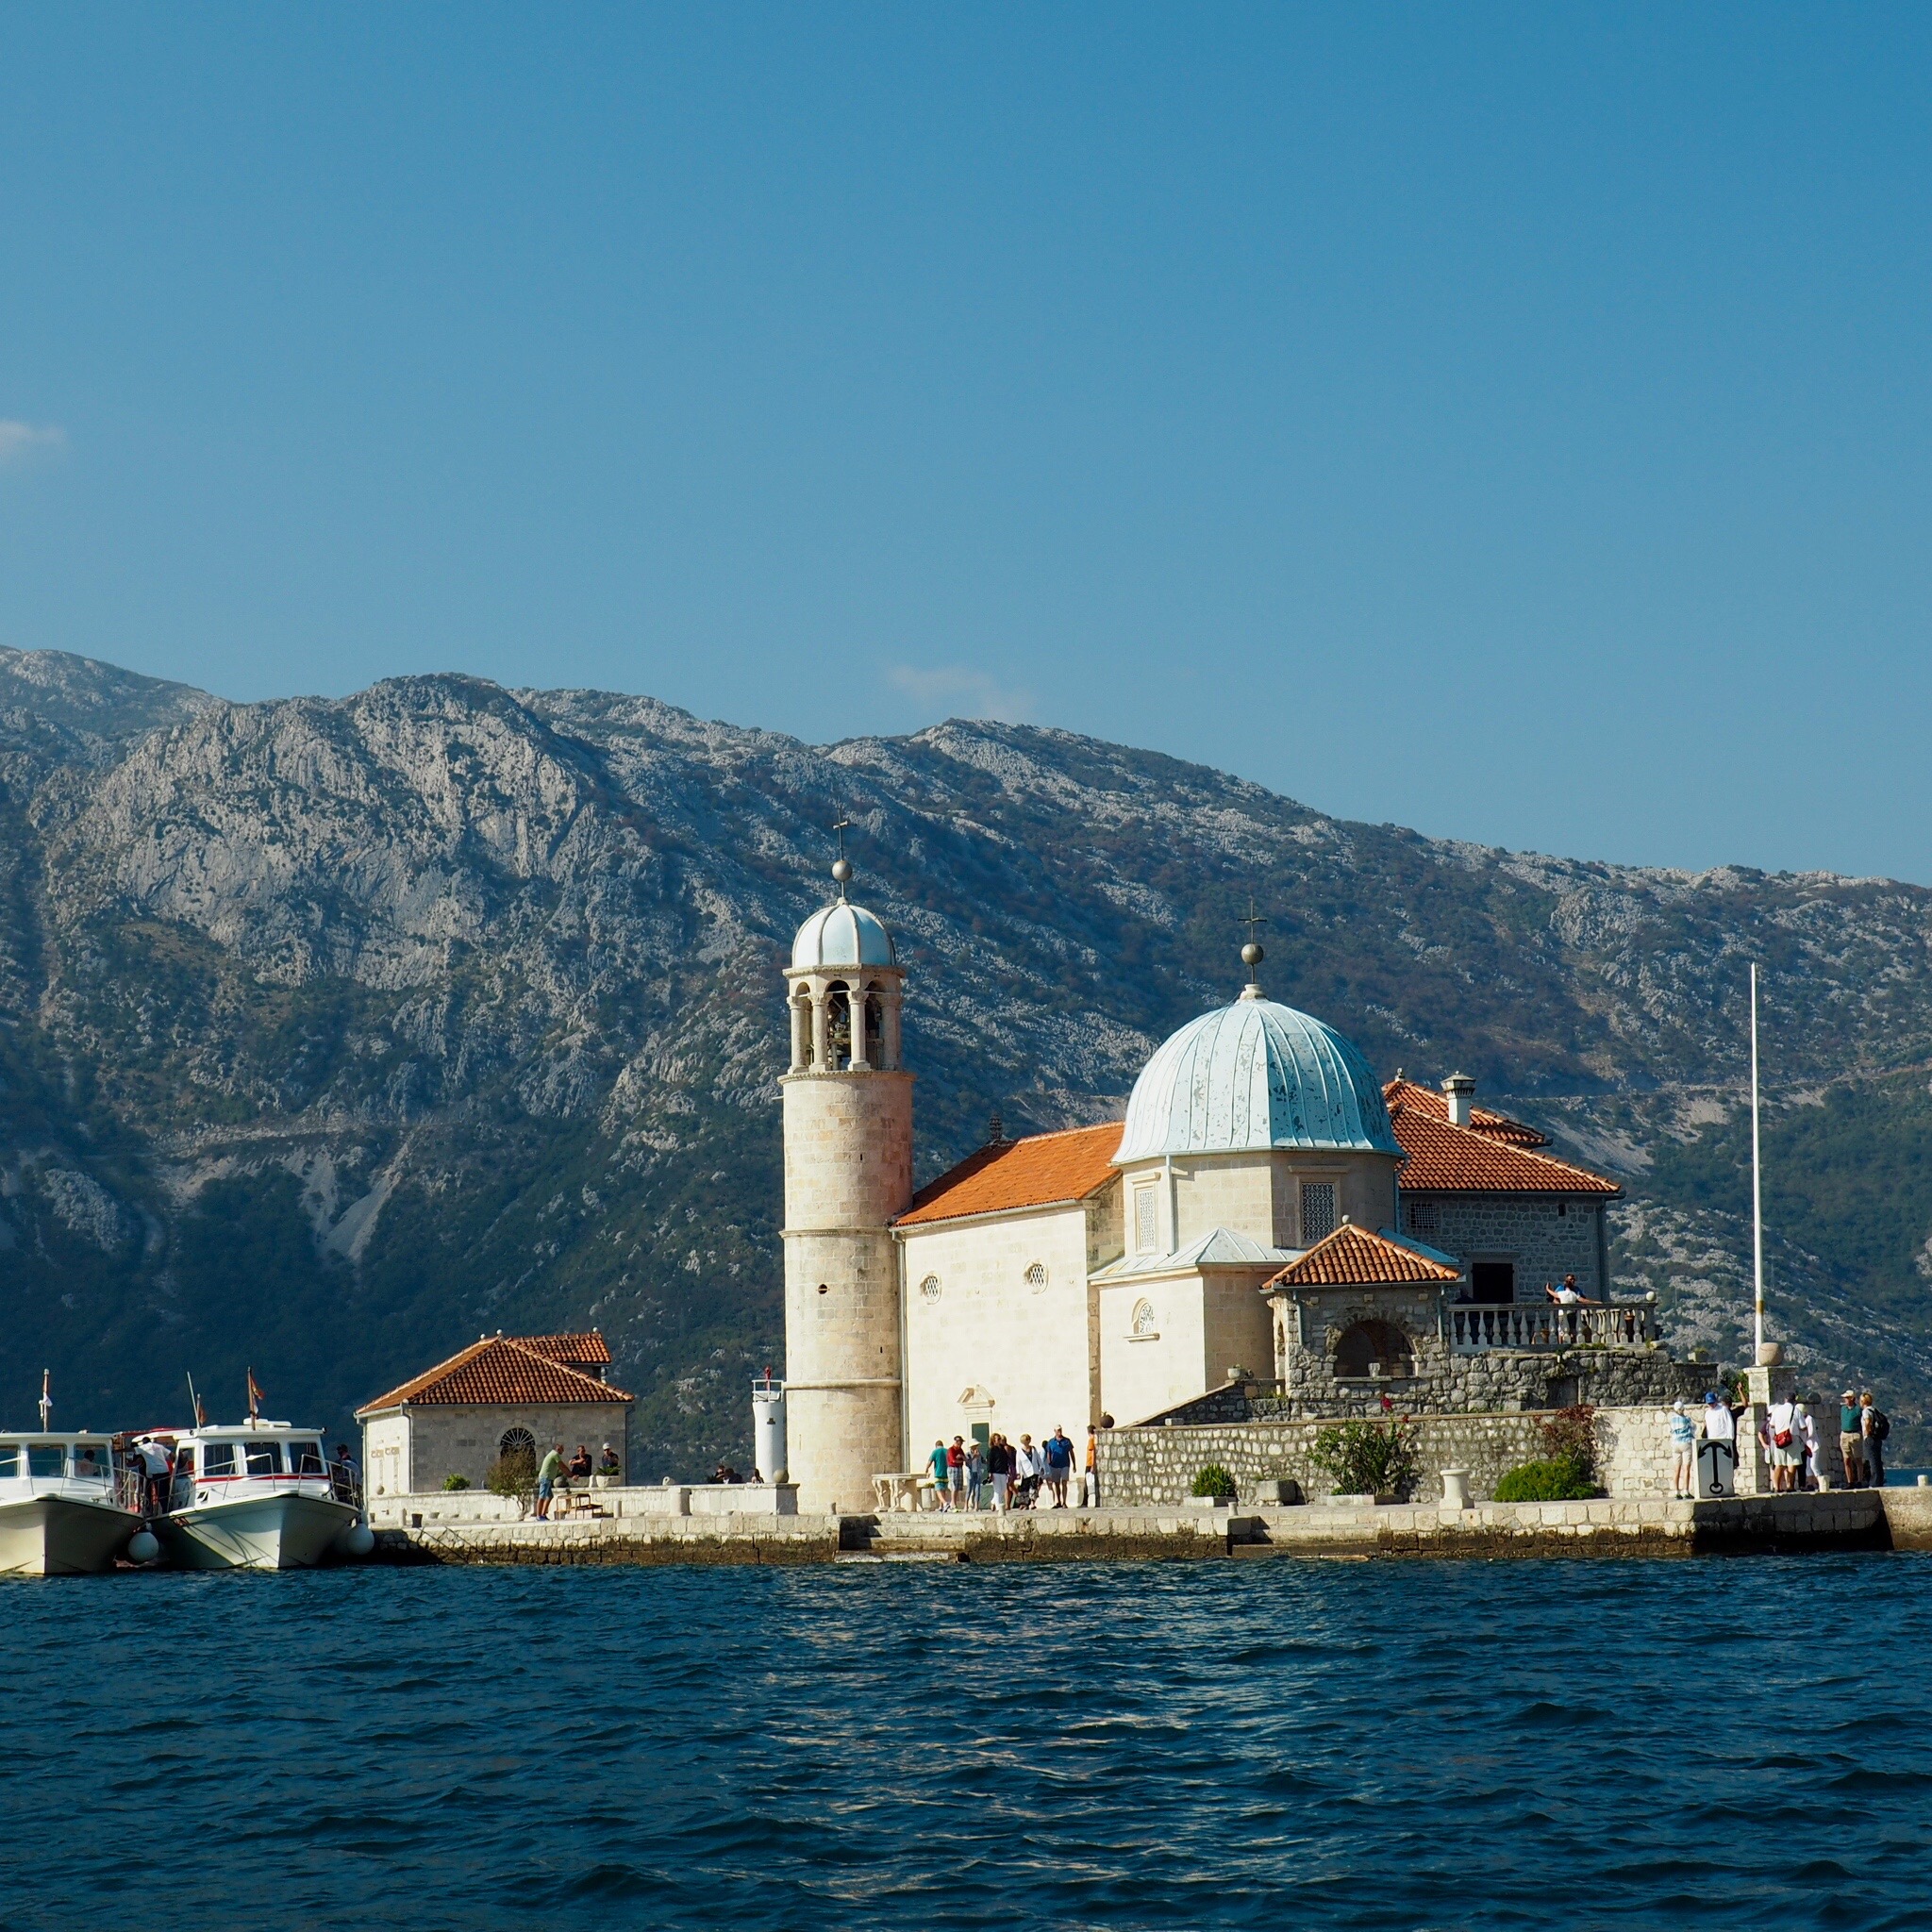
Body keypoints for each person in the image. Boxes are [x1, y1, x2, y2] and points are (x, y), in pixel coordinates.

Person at [1764, 1392, 1801, 1493]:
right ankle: (1790, 1486)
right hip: (1792, 1439)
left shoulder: (1777, 1411)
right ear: (1794, 1401)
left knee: (1779, 1464)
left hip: (1780, 1440)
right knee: (1792, 1463)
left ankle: (1777, 1487)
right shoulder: (1796, 1411)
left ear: (1785, 1399)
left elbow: (1771, 1425)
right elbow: (1803, 1427)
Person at [1669, 1399, 1696, 1500]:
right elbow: (1693, 1428)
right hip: (1685, 1443)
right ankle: (1686, 1490)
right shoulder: (1687, 1419)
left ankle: (1676, 1491)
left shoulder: (1672, 1419)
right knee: (1686, 1468)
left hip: (1675, 1444)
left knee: (1676, 1469)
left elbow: (1670, 1430)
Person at [1840, 1391, 1866, 1489]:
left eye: (1846, 1398)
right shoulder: (1843, 1409)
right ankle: (1850, 1481)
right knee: (1847, 1459)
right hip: (1844, 1435)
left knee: (1858, 1459)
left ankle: (1859, 1481)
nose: (1845, 1399)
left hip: (1855, 1435)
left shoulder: (1858, 1410)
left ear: (1852, 1398)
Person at [1043, 1426, 1074, 1507]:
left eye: (1060, 1430)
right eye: (1058, 1431)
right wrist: (1049, 1464)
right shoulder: (1051, 1442)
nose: (1059, 1432)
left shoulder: (1067, 1441)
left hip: (1065, 1464)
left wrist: (1074, 1464)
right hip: (1054, 1465)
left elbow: (1071, 1452)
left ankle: (1064, 1501)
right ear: (1055, 1431)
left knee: (1064, 1482)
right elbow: (1048, 1453)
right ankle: (1058, 1501)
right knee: (1056, 1484)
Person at [1863, 1391, 1889, 1488]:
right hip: (1877, 1438)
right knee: (1877, 1460)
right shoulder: (1874, 1410)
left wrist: (1867, 1432)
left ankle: (1874, 1483)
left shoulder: (1866, 1411)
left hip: (1870, 1438)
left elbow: (1868, 1421)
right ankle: (1879, 1481)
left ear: (1864, 1401)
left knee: (1872, 1461)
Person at [1795, 1402, 1822, 1491]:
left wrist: (1802, 1436)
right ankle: (1811, 1484)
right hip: (1807, 1447)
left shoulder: (1809, 1419)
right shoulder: (1801, 1420)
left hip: (1813, 1446)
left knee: (1814, 1465)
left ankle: (1821, 1482)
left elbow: (1811, 1433)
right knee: (1808, 1467)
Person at [535, 1442, 564, 1520]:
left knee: (549, 1496)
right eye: (562, 1449)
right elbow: (562, 1466)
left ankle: (543, 1514)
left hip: (547, 1478)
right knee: (542, 1496)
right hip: (545, 1478)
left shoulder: (552, 1454)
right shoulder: (555, 1454)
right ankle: (538, 1516)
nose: (563, 1451)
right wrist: (571, 1475)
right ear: (558, 1448)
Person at [987, 1433, 1012, 1512]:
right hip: (995, 1472)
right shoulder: (991, 1450)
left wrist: (1007, 1470)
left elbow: (1006, 1460)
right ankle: (998, 1507)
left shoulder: (1002, 1449)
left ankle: (993, 1501)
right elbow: (989, 1462)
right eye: (997, 1439)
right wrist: (990, 1472)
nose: (999, 1440)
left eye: (999, 1439)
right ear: (993, 1440)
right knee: (997, 1489)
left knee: (1003, 1489)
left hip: (1003, 1471)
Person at [1014, 1434, 1041, 1509]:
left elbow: (1038, 1459)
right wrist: (1018, 1472)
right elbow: (1018, 1462)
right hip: (1025, 1472)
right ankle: (1024, 1503)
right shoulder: (1019, 1451)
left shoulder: (1033, 1449)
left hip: (1034, 1471)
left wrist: (1042, 1467)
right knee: (1024, 1488)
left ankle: (1032, 1503)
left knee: (1033, 1487)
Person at [926, 1438, 950, 1510]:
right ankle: (941, 1507)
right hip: (946, 1473)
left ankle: (945, 1503)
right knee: (943, 1490)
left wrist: (926, 1469)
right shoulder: (947, 1451)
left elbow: (929, 1462)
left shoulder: (935, 1452)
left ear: (936, 1446)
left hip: (938, 1473)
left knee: (938, 1490)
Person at [965, 1440, 987, 1510]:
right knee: (969, 1489)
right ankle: (966, 1505)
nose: (976, 1447)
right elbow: (967, 1463)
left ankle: (976, 1506)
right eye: (974, 1446)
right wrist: (974, 1457)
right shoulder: (968, 1454)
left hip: (977, 1473)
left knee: (977, 1490)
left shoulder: (979, 1453)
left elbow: (983, 1461)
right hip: (970, 1474)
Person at [947, 1436, 968, 1510]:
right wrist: (961, 1461)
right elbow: (953, 1461)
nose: (962, 1444)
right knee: (954, 1486)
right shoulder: (951, 1450)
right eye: (960, 1442)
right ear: (956, 1442)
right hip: (953, 1468)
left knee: (958, 1487)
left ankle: (954, 1502)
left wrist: (962, 1456)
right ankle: (953, 1503)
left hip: (959, 1468)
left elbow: (965, 1459)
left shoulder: (960, 1450)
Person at [1083, 1425, 1099, 1508]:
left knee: (1087, 1484)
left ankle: (1085, 1502)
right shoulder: (1095, 1439)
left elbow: (1092, 1452)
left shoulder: (1091, 1440)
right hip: (1090, 1464)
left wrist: (1092, 1465)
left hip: (1089, 1464)